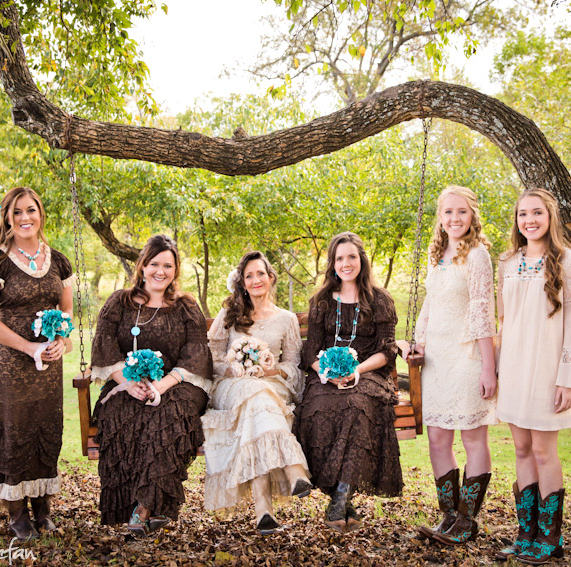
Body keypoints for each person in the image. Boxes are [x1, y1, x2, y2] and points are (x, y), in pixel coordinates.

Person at [0, 186, 75, 541]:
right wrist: (28, 347)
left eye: (31, 210)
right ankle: (17, 513)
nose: (25, 218)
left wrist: (60, 341)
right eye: (17, 212)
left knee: (45, 428)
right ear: (7, 217)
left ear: (40, 213)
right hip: (11, 365)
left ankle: (43, 509)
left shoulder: (58, 260)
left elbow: (67, 311)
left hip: (49, 366)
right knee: (13, 431)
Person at [90, 234, 213, 537]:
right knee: (121, 412)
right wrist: (128, 383)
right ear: (143, 265)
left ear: (176, 270)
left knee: (166, 416)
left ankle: (143, 508)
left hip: (178, 384)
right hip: (128, 382)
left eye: (168, 266)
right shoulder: (120, 302)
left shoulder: (185, 306)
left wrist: (161, 386)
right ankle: (142, 504)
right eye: (154, 263)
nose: (160, 271)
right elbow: (104, 346)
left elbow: (196, 355)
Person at [397, 185, 498, 546]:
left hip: (467, 356)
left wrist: (489, 367)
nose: (454, 219)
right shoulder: (436, 254)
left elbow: (483, 312)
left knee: (472, 437)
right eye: (448, 212)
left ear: (472, 216)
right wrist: (418, 341)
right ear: (439, 217)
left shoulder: (478, 256)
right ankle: (449, 516)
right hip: (437, 358)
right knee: (438, 438)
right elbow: (430, 303)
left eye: (462, 212)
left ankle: (468, 521)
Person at [494, 188, 571, 565]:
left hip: (549, 369)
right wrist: (498, 366)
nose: (529, 220)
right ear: (516, 221)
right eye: (523, 214)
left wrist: (569, 377)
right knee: (520, 450)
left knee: (544, 452)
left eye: (537, 213)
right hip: (515, 368)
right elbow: (505, 321)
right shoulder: (507, 261)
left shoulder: (569, 261)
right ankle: (526, 532)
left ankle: (551, 536)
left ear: (550, 217)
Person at [293, 231, 403, 534]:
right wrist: (325, 372)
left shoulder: (380, 300)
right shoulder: (322, 301)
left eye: (351, 257)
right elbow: (310, 349)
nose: (346, 263)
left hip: (369, 375)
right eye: (339, 258)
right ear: (332, 263)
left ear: (361, 260)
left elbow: (386, 349)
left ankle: (339, 498)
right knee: (318, 407)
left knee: (356, 406)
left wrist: (357, 371)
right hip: (325, 377)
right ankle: (343, 502)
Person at [202, 251, 312, 535]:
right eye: (249, 275)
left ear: (271, 277)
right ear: (242, 282)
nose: (255, 280)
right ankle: (294, 470)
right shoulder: (229, 315)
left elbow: (293, 364)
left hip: (269, 386)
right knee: (254, 395)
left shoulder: (286, 319)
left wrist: (269, 371)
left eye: (260, 273)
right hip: (230, 386)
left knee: (257, 405)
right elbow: (211, 359)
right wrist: (232, 368)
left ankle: (264, 512)